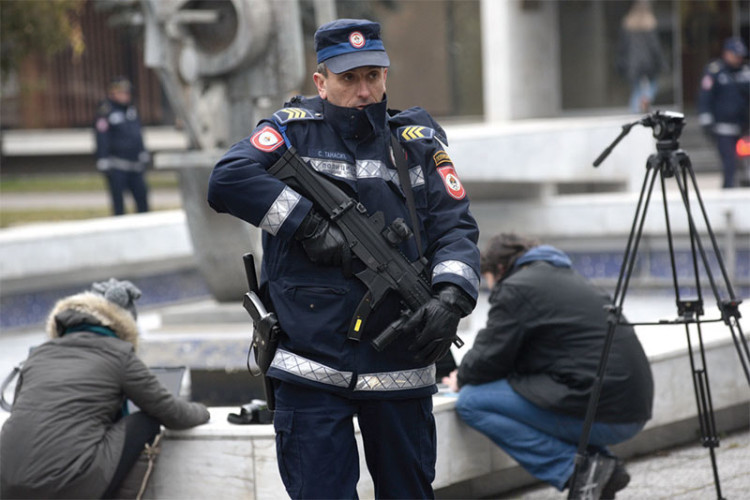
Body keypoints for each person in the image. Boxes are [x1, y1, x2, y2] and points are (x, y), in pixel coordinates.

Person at [207, 18, 481, 499]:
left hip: (400, 360)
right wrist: (306, 224)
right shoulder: (291, 134)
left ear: (386, 76)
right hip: (310, 363)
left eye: (373, 76)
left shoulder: (417, 144)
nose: (363, 90)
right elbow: (226, 179)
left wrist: (451, 297)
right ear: (321, 81)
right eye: (349, 78)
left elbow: (455, 228)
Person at [442, 234, 654, 500]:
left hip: (605, 411)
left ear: (499, 270)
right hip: (633, 406)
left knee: (472, 402)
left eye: (489, 282)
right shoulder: (565, 276)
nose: (492, 290)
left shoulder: (516, 287)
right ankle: (600, 467)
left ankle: (577, 470)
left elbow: (489, 355)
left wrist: (462, 377)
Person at [0, 278, 210, 498]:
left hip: (6, 484)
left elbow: (20, 413)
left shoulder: (38, 355)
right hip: (69, 486)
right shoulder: (119, 353)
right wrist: (203, 411)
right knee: (145, 421)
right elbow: (172, 413)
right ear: (124, 326)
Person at [94, 76, 151, 215]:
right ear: (113, 94)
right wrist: (103, 158)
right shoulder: (106, 111)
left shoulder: (131, 110)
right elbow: (102, 136)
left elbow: (138, 133)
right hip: (117, 165)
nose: (126, 96)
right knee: (119, 205)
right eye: (122, 93)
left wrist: (143, 151)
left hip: (135, 164)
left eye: (127, 93)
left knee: (143, 200)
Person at [698, 36, 750, 188]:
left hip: (744, 128)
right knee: (729, 163)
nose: (738, 58)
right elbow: (705, 97)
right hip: (723, 128)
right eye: (735, 55)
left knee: (745, 166)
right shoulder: (715, 71)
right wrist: (706, 120)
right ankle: (728, 193)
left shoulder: (745, 72)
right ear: (727, 53)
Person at [615, 0, 666, 113]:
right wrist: (661, 63)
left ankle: (634, 112)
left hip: (633, 64)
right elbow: (655, 47)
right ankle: (644, 102)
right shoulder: (650, 24)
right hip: (649, 64)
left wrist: (623, 63)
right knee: (651, 87)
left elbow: (622, 47)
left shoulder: (628, 24)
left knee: (636, 90)